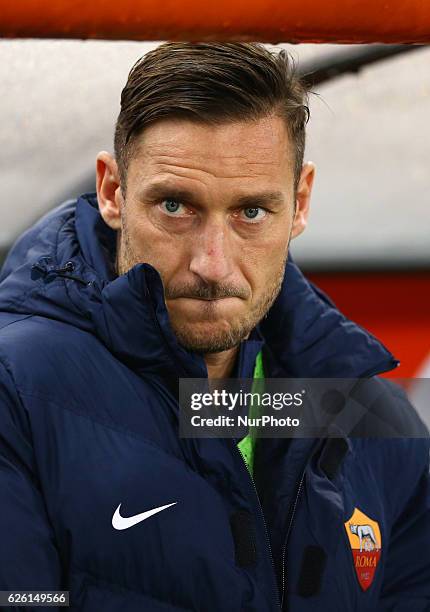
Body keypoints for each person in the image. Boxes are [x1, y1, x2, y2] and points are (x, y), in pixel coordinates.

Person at [0, 42, 428, 612]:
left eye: (251, 211)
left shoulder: (376, 421)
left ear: (299, 202)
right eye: (175, 207)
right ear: (112, 193)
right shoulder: (18, 393)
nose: (212, 264)